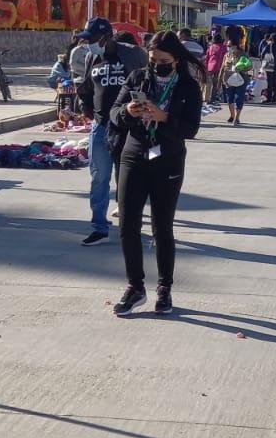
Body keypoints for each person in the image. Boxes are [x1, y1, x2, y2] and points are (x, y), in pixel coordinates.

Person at [108, 30, 204, 316]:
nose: (156, 64)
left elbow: (191, 129)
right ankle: (135, 286)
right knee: (127, 225)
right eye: (152, 59)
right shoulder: (138, 77)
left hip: (168, 160)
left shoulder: (188, 86)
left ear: (176, 59)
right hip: (134, 155)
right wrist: (128, 111)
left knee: (162, 227)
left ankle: (165, 288)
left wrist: (165, 118)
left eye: (162, 60)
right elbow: (113, 113)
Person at [75, 17, 145, 244]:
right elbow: (86, 87)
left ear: (105, 36)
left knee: (127, 178)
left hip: (128, 127)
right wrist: (86, 106)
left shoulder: (132, 54)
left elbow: (146, 80)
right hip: (101, 126)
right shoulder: (91, 57)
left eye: (92, 39)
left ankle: (130, 224)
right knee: (99, 177)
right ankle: (99, 226)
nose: (89, 43)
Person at [221, 39, 254, 125]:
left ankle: (237, 117)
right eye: (227, 46)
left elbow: (250, 67)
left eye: (229, 46)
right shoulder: (227, 55)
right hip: (228, 79)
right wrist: (219, 80)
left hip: (241, 79)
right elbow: (223, 67)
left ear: (235, 46)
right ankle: (232, 115)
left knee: (239, 97)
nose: (228, 48)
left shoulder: (243, 55)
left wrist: (241, 69)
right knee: (229, 98)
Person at [204, 32, 227, 102]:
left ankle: (206, 98)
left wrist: (206, 67)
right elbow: (225, 57)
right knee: (215, 84)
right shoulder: (224, 47)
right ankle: (212, 98)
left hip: (210, 66)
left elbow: (207, 57)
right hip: (219, 67)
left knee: (208, 83)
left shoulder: (211, 47)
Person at [260, 33, 276, 103]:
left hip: (269, 65)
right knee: (275, 82)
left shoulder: (269, 45)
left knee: (269, 83)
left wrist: (263, 61)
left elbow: (262, 53)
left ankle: (269, 99)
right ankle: (275, 99)